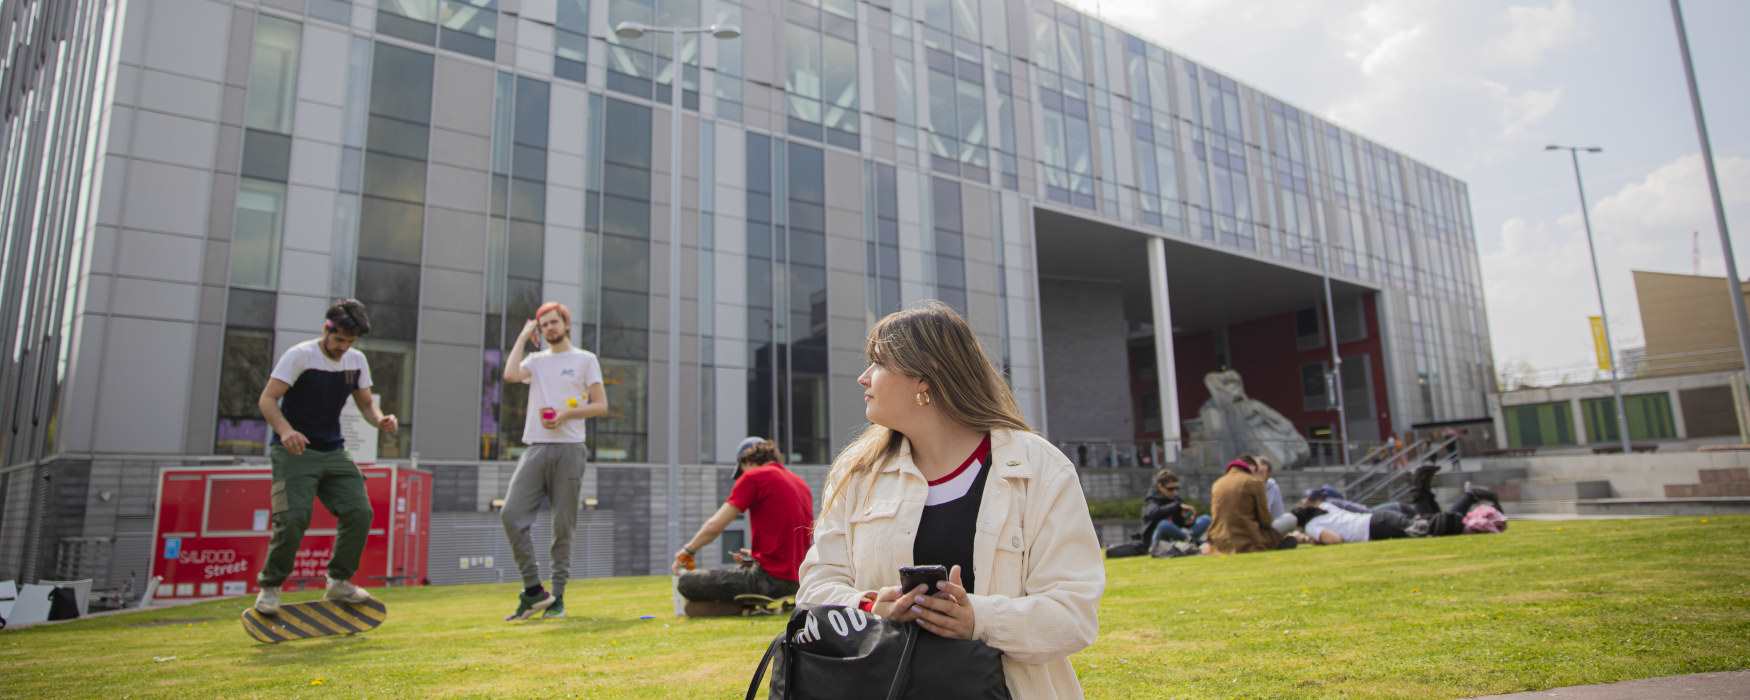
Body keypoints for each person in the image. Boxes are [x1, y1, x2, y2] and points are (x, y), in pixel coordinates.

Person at [797, 302, 1103, 699]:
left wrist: (977, 618)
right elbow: (815, 590)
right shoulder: (855, 474)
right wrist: (872, 606)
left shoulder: (1040, 468)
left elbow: (1073, 616)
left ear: (926, 378)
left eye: (878, 363)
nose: (863, 378)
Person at [254, 300, 398, 615]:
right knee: (293, 519)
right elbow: (267, 399)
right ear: (326, 329)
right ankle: (271, 587)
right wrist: (286, 431)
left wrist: (381, 419)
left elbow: (365, 405)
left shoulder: (356, 361)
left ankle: (339, 582)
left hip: (333, 450)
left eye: (350, 342)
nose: (343, 348)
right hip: (295, 451)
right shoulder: (300, 356)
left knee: (360, 512)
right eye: (339, 340)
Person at [499, 302, 608, 621]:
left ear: (566, 324)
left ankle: (558, 597)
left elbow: (601, 405)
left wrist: (567, 415)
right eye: (543, 324)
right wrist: (522, 336)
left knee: (562, 527)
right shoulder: (535, 361)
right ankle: (534, 591)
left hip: (570, 449)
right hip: (536, 447)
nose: (549, 328)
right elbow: (509, 374)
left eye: (553, 322)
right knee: (511, 514)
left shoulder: (585, 359)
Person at [671, 436, 814, 615]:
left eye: (741, 471)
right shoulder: (799, 483)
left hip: (768, 580)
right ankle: (753, 608)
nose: (741, 476)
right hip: (799, 581)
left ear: (746, 460)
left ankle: (753, 607)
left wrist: (687, 551)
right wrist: (756, 556)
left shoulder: (754, 477)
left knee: (687, 582)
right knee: (693, 609)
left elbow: (715, 526)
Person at [1205, 456, 1290, 554]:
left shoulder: (1217, 483)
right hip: (1246, 540)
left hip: (1219, 540)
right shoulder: (1253, 482)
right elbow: (1265, 520)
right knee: (1288, 521)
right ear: (1252, 468)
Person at [1142, 469, 1208, 555]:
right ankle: (1196, 543)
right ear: (1160, 486)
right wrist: (1177, 505)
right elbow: (1153, 513)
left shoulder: (1176, 499)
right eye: (1170, 489)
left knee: (1206, 519)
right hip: (1159, 540)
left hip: (1179, 535)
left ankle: (1193, 543)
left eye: (1176, 488)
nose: (1174, 492)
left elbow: (1179, 524)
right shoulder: (1152, 500)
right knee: (1164, 524)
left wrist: (1189, 522)